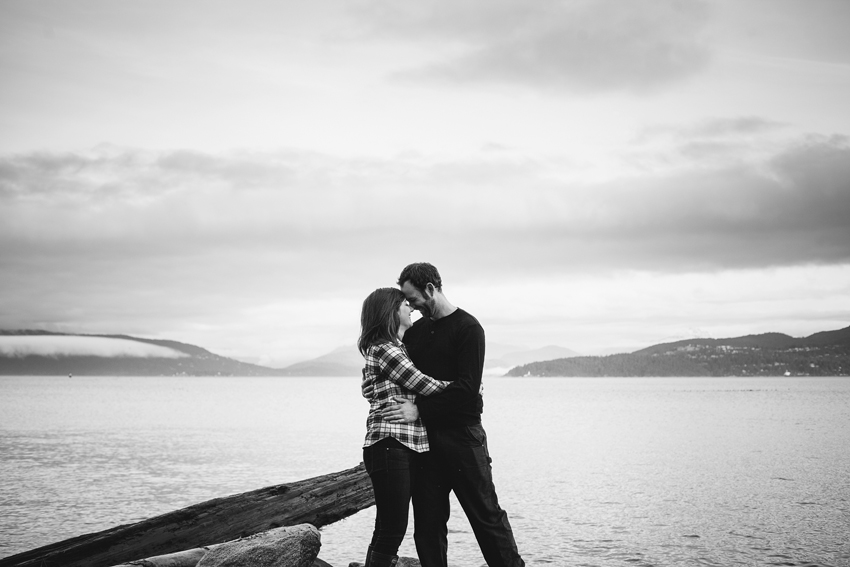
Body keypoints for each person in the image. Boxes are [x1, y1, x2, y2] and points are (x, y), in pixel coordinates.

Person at [369, 263, 525, 567]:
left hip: (464, 438)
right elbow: (401, 377)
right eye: (406, 302)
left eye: (413, 299)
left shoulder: (468, 328)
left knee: (487, 518)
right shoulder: (414, 335)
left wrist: (418, 409)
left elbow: (468, 394)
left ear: (431, 289)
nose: (411, 307)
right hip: (425, 443)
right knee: (427, 527)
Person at [358, 287, 453, 567]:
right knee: (391, 527)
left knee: (387, 527)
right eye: (404, 304)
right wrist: (466, 389)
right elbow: (421, 383)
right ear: (391, 311)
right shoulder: (387, 349)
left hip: (399, 444)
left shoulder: (393, 348)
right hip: (390, 443)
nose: (410, 307)